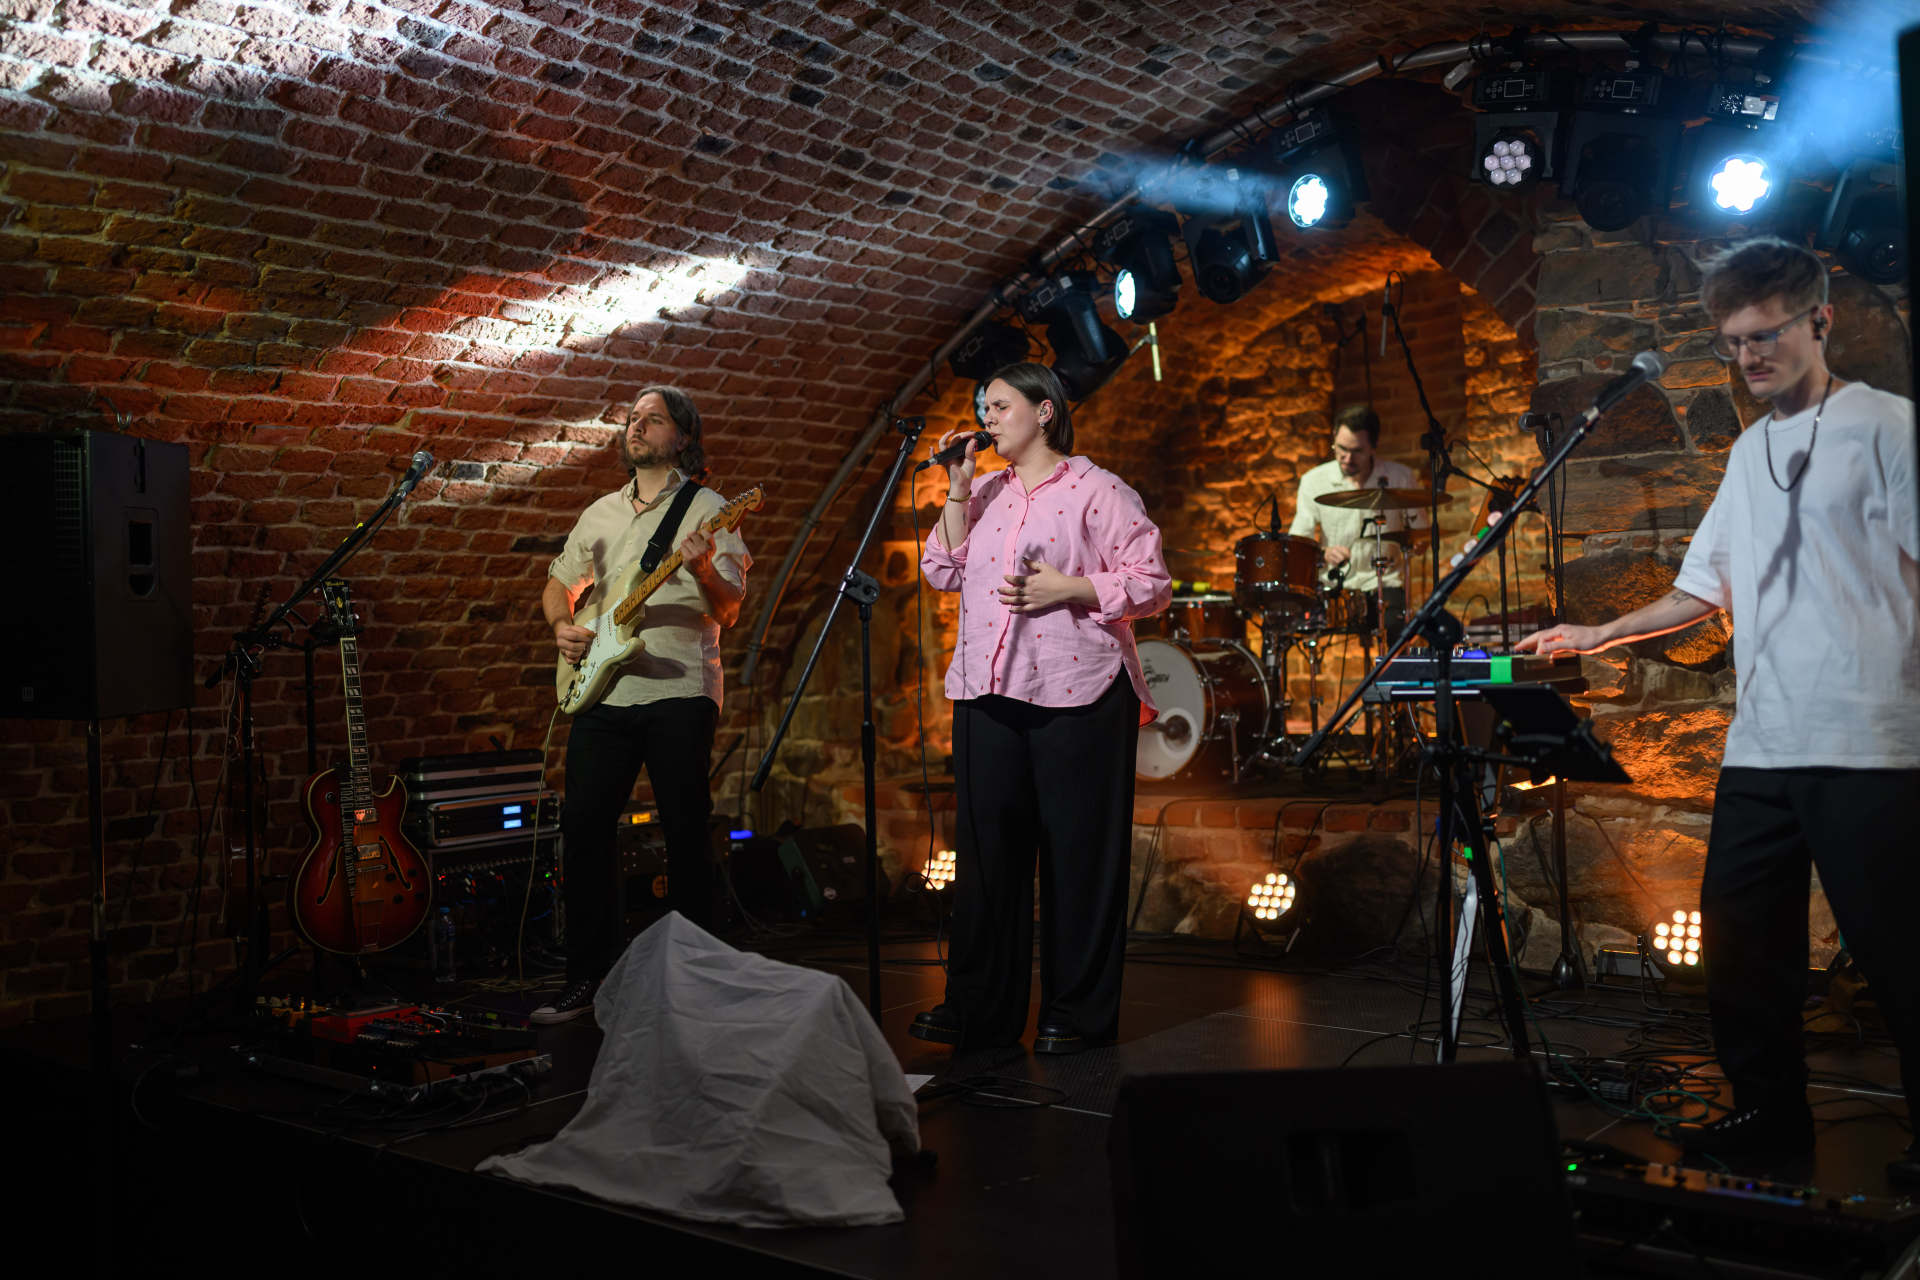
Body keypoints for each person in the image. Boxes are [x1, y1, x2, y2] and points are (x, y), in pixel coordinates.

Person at [1516, 237, 1919, 1182]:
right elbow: (1703, 590)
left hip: (1872, 741)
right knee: (1742, 950)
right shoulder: (1747, 452)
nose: (1749, 357)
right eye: (1735, 342)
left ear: (1819, 320)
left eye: (1765, 335)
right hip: (1763, 744)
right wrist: (1599, 631)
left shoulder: (1888, 427)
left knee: (1899, 954)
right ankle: (1771, 1118)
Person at [912, 363, 1170, 1054]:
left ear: (1045, 410)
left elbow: (1151, 584)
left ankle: (1076, 1014)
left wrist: (1072, 588)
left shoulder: (1099, 489)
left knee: (1078, 857)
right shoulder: (985, 491)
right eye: (983, 408)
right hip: (987, 688)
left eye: (999, 406)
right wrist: (957, 491)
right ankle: (978, 1008)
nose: (987, 418)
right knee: (988, 857)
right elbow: (940, 570)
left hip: (1078, 689)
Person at [533, 386, 751, 1024]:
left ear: (682, 437)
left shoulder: (709, 509)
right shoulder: (600, 512)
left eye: (654, 419)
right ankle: (588, 977)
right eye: (632, 418)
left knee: (685, 831)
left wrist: (703, 570)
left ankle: (695, 981)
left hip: (678, 689)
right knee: (583, 828)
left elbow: (730, 611)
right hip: (603, 688)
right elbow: (558, 582)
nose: (637, 426)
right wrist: (562, 626)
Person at [1288, 404, 1428, 604]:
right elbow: (1298, 542)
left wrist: (1419, 543)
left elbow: (1420, 536)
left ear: (1373, 447)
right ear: (1334, 436)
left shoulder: (1400, 477)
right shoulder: (1314, 481)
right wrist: (1323, 554)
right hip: (1336, 586)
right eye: (1341, 448)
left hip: (1385, 585)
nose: (1347, 458)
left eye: (1357, 451)